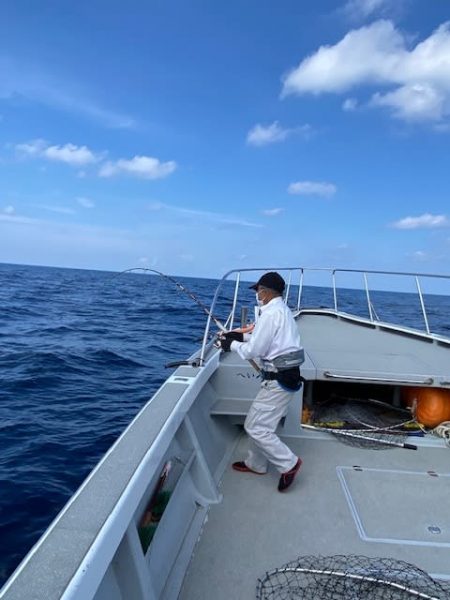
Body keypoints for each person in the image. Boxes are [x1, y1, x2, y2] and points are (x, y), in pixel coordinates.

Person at [219, 271, 303, 492]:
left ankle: (289, 464)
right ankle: (256, 464)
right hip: (285, 376)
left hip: (278, 379)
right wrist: (240, 336)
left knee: (256, 427)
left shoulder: (270, 314)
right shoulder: (281, 311)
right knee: (261, 424)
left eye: (258, 291)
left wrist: (231, 345)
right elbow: (265, 339)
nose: (257, 294)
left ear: (264, 292)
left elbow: (254, 350)